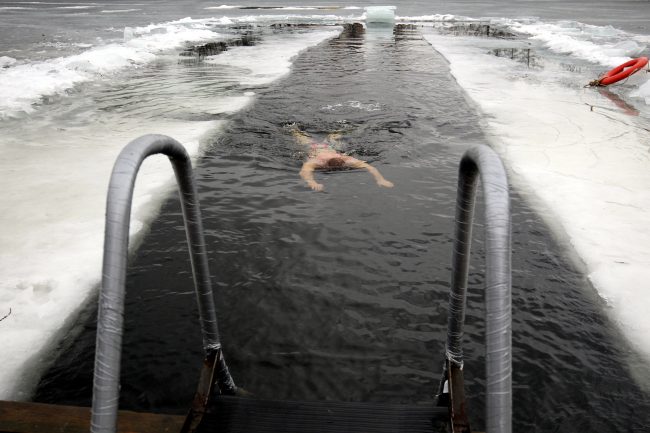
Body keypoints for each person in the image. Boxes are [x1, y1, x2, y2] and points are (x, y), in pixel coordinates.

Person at [291, 127, 394, 192]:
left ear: (342, 159)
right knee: (297, 134)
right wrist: (312, 183)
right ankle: (293, 128)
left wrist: (381, 179)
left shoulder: (347, 159)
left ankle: (346, 127)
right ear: (326, 164)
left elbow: (370, 167)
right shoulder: (318, 161)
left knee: (335, 137)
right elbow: (304, 172)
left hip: (328, 147)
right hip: (313, 147)